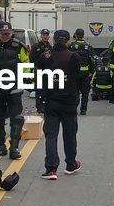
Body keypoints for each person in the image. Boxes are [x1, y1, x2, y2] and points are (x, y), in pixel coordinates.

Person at [35, 30, 83, 180]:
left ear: (54, 40)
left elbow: (39, 78)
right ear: (68, 41)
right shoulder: (73, 56)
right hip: (69, 100)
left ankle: (51, 169)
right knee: (69, 134)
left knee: (51, 135)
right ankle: (70, 164)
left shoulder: (45, 56)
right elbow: (77, 78)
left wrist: (40, 99)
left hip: (51, 100)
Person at [0, 21, 29, 159]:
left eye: (7, 33)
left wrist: (16, 77)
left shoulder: (18, 47)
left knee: (16, 119)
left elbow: (26, 64)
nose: (5, 36)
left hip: (14, 89)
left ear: (11, 33)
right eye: (2, 34)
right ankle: (0, 146)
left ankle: (14, 148)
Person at [67, 28, 95, 115]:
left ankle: (74, 108)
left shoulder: (71, 45)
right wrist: (91, 71)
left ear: (75, 35)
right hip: (85, 73)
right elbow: (93, 61)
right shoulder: (89, 46)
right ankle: (83, 110)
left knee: (75, 92)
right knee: (85, 93)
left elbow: (68, 59)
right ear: (83, 35)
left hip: (74, 73)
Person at [31, 29, 53, 114]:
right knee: (39, 90)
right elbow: (31, 58)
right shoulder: (36, 46)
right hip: (39, 70)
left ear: (48, 37)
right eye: (44, 35)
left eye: (47, 35)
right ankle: (39, 107)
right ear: (41, 36)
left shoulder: (50, 47)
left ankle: (45, 105)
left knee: (47, 89)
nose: (45, 36)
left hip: (47, 71)